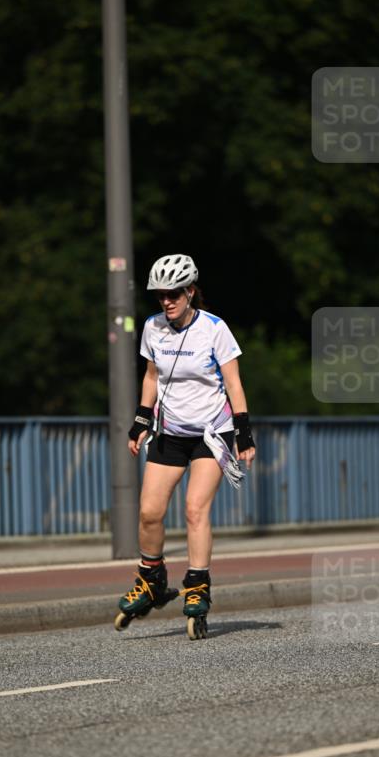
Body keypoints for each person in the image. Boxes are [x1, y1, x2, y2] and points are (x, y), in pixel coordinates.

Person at [114, 254, 256, 640]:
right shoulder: (152, 327)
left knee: (195, 509)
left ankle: (197, 588)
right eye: (160, 295)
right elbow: (151, 377)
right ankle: (152, 581)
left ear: (190, 292)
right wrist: (141, 420)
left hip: (211, 433)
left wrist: (243, 431)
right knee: (149, 512)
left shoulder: (214, 329)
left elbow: (233, 382)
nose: (167, 301)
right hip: (171, 433)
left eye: (173, 294)